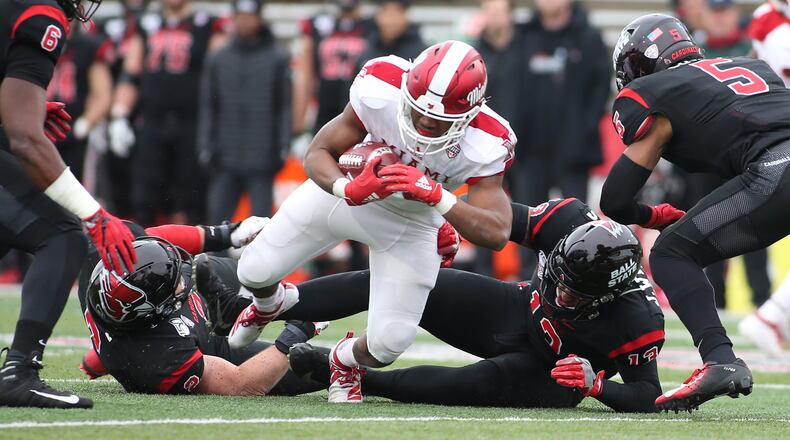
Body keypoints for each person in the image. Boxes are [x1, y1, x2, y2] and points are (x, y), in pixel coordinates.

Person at [228, 40, 516, 403]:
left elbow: (497, 232)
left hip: (411, 221)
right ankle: (270, 303)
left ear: (470, 115)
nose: (425, 123)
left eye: (439, 120)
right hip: (350, 197)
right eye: (418, 111)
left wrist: (437, 197)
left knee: (388, 343)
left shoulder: (488, 140)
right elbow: (318, 152)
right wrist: (346, 188)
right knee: (252, 272)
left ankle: (343, 361)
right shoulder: (381, 85)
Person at [284, 198, 664, 412]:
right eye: (559, 280)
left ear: (609, 294)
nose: (562, 295)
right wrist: (444, 221)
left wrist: (595, 386)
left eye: (576, 295)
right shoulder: (565, 222)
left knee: (468, 384)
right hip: (517, 308)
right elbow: (493, 220)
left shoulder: (638, 317)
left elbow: (649, 395)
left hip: (553, 370)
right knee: (405, 282)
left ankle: (351, 376)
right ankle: (276, 304)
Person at [603, 13, 790, 411]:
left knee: (671, 251)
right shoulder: (750, 65)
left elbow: (615, 201)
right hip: (779, 162)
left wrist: (653, 216)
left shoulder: (656, 91)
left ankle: (720, 359)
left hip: (779, 167)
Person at [0, 0, 137, 409]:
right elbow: (26, 140)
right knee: (61, 233)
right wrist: (92, 213)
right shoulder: (39, 14)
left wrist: (14, 111)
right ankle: (19, 371)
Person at [77, 217, 329, 396]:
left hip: (160, 324)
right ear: (151, 311)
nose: (181, 283)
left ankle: (236, 307)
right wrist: (294, 334)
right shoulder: (156, 358)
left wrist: (224, 234)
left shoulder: (97, 260)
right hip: (202, 343)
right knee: (322, 362)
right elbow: (240, 385)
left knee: (253, 275)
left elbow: (152, 239)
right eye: (174, 284)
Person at [110, 0, 228, 226]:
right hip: (152, 122)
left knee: (188, 199)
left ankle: (189, 256)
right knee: (145, 197)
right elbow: (130, 75)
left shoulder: (207, 25)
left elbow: (221, 78)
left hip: (191, 123)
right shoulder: (146, 24)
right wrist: (120, 116)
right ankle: (146, 255)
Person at [198, 0, 290, 223]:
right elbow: (208, 105)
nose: (244, 22)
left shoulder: (277, 57)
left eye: (249, 17)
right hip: (225, 156)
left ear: (259, 18)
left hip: (262, 156)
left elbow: (284, 105)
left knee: (261, 224)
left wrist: (283, 144)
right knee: (218, 220)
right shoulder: (218, 58)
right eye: (239, 17)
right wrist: (204, 144)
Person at [512, 0, 609, 208]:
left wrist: (584, 129)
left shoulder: (588, 37)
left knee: (577, 222)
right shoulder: (523, 36)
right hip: (530, 151)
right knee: (527, 225)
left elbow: (600, 89)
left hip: (573, 152)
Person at [46, 25, 115, 181]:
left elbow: (103, 95)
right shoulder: (32, 43)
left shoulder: (87, 46)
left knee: (73, 189)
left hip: (72, 132)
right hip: (36, 129)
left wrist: (84, 124)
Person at [293, 0, 371, 135]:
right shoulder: (317, 24)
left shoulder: (373, 25)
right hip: (324, 109)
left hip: (360, 110)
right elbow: (305, 76)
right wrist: (297, 124)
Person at [355, 0, 425, 70]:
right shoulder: (366, 49)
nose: (391, 20)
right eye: (386, 13)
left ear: (406, 16)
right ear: (378, 16)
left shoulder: (422, 55)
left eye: (397, 13)